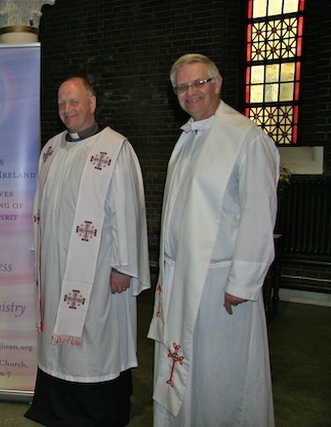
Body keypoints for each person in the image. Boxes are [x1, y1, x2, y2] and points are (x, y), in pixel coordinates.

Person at [147, 53, 279, 426]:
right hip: (180, 277)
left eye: (198, 83)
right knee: (184, 369)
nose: (190, 93)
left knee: (218, 375)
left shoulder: (246, 138)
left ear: (217, 83)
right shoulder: (188, 138)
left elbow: (258, 213)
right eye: (182, 87)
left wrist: (242, 281)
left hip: (220, 284)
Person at [25, 77, 151, 427]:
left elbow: (127, 211)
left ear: (92, 104)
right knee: (57, 341)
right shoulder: (50, 149)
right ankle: (58, 407)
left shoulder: (115, 149)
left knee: (95, 338)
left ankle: (98, 411)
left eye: (75, 102)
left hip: (97, 268)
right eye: (62, 103)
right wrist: (39, 255)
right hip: (55, 266)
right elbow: (41, 208)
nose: (67, 110)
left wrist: (123, 266)